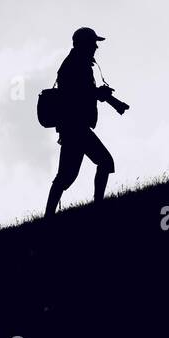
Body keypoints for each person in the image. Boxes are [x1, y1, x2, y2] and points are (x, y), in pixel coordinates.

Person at [44, 27, 129, 217]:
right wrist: (108, 98)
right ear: (84, 44)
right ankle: (96, 207)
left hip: (74, 127)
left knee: (66, 177)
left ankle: (49, 216)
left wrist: (114, 103)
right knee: (102, 163)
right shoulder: (76, 65)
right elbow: (80, 95)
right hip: (76, 127)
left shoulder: (76, 63)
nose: (96, 47)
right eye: (93, 43)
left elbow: (87, 93)